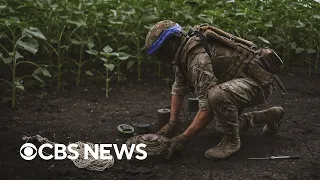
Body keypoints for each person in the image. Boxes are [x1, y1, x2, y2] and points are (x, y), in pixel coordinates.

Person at [144, 20, 285, 160]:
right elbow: (178, 89)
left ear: (171, 43)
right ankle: (269, 116)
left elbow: (206, 107)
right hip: (241, 82)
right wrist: (172, 123)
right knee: (219, 127)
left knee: (216, 96)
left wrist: (184, 138)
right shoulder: (182, 54)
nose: (159, 58)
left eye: (160, 52)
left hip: (258, 85)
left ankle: (231, 142)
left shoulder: (197, 57)